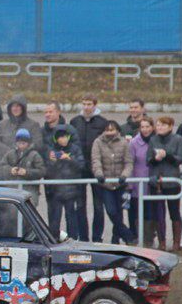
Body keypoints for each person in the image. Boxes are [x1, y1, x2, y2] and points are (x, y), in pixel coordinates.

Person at [70, 94, 108, 242]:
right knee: (80, 205)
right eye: (84, 104)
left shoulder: (103, 122)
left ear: (95, 105)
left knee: (98, 206)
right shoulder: (75, 122)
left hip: (97, 168)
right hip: (79, 169)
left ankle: (97, 238)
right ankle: (83, 238)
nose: (86, 107)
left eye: (89, 104)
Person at [92, 121, 135, 245]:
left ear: (117, 130)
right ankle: (127, 234)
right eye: (107, 130)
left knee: (119, 212)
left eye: (112, 130)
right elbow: (96, 160)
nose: (110, 132)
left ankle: (115, 240)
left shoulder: (123, 143)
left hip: (120, 183)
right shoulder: (98, 142)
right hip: (106, 184)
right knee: (111, 211)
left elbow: (128, 162)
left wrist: (124, 175)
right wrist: (99, 174)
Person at [147, 116, 182, 251]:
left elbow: (181, 158)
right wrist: (155, 158)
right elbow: (149, 160)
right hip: (156, 181)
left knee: (174, 211)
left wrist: (167, 155)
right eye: (158, 125)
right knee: (158, 213)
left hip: (172, 181)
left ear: (170, 126)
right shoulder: (153, 139)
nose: (160, 127)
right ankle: (161, 241)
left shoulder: (177, 139)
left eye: (163, 125)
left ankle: (176, 242)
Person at [0, 129, 45, 237]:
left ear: (28, 143)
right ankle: (12, 239)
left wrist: (26, 172)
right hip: (13, 192)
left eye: (23, 143)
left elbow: (41, 171)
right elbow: (1, 167)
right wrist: (10, 170)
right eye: (19, 142)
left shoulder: (35, 155)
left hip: (30, 194)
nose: (21, 145)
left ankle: (28, 240)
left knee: (28, 220)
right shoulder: (10, 154)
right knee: (11, 219)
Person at [45, 125, 85, 240]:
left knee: (71, 218)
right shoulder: (51, 151)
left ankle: (73, 240)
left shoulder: (75, 149)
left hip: (72, 190)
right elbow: (46, 171)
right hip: (55, 191)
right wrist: (52, 161)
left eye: (65, 137)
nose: (64, 139)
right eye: (60, 137)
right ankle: (53, 241)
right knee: (55, 219)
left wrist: (69, 159)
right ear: (56, 139)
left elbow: (81, 166)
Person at [0, 94, 43, 167]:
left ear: (23, 108)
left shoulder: (33, 125)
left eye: (18, 106)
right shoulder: (2, 125)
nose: (15, 108)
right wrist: (9, 152)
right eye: (13, 106)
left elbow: (38, 143)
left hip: (26, 166)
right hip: (5, 166)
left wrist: (22, 151)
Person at [129, 117, 156, 247]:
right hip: (138, 183)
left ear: (152, 127)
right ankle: (140, 239)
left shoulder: (156, 140)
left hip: (153, 182)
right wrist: (130, 184)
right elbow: (130, 163)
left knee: (152, 212)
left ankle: (149, 240)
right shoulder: (134, 143)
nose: (145, 129)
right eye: (142, 127)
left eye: (147, 126)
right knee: (138, 212)